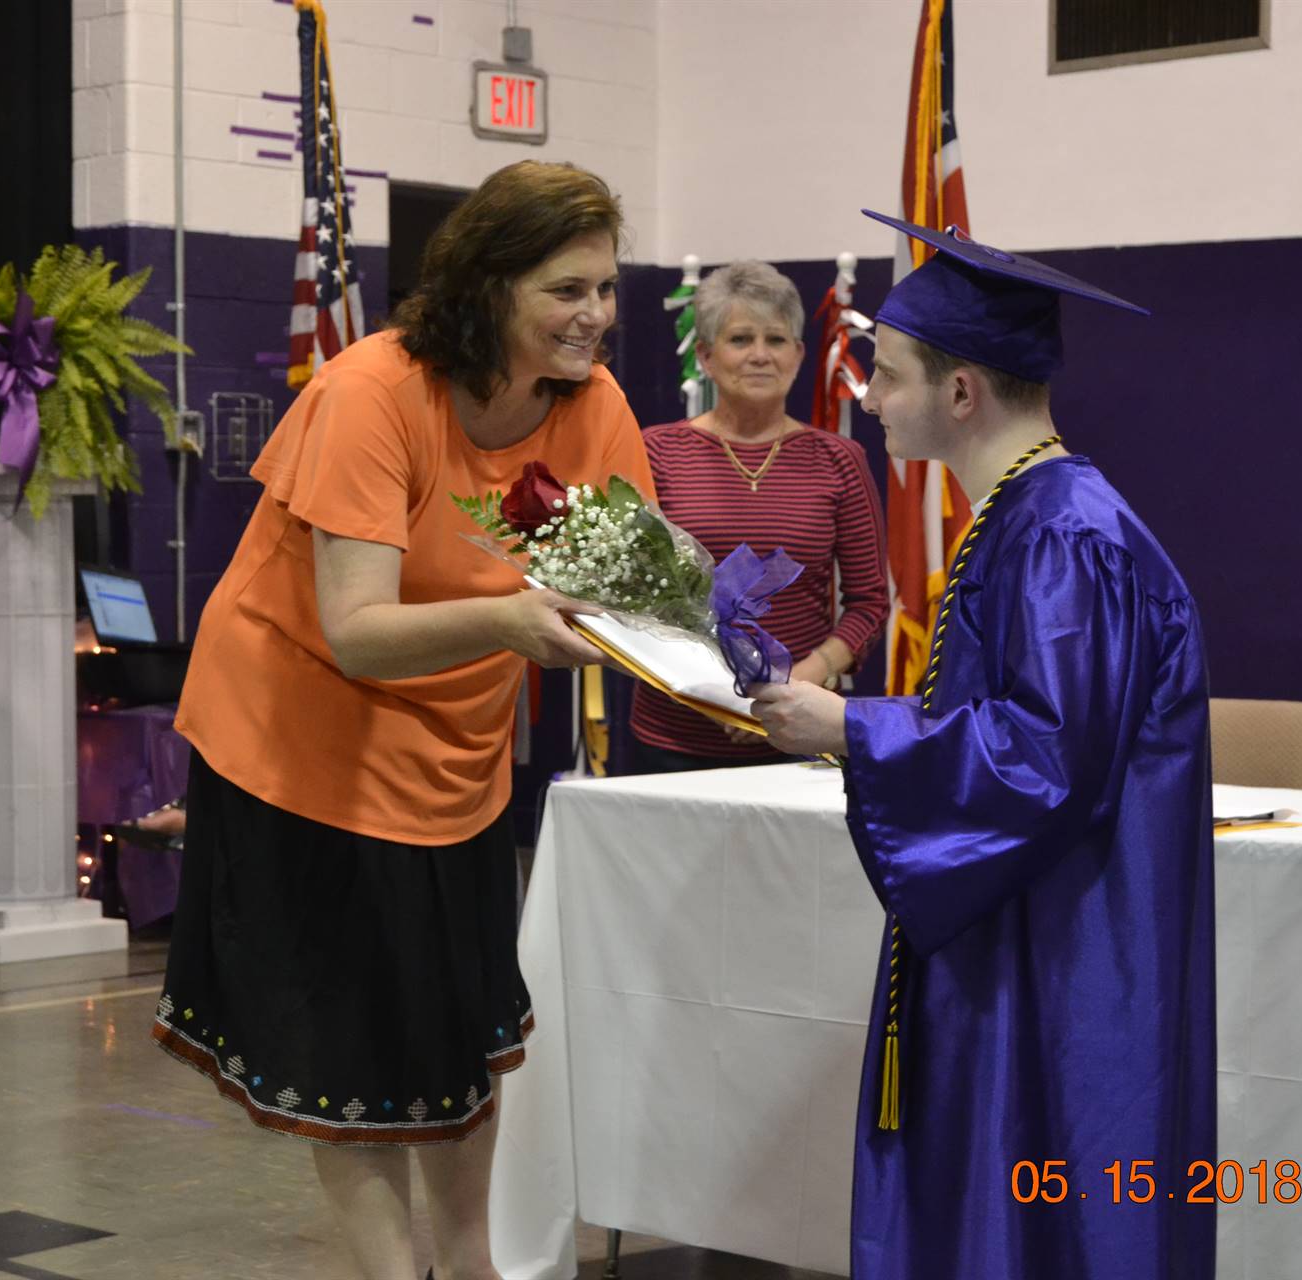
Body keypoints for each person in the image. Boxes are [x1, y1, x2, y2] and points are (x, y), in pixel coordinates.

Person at [154, 161, 650, 1280]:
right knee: (351, 1048)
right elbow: (357, 629)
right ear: (488, 287)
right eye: (567, 290)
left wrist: (710, 639)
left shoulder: (597, 403)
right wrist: (514, 617)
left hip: (457, 754)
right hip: (301, 743)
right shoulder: (371, 391)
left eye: (607, 288)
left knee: (457, 1034)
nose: (597, 315)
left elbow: (623, 584)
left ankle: (473, 1264)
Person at [750, 213, 1215, 1279]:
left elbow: (1045, 757)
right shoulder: (1020, 514)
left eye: (890, 374)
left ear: (963, 392)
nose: (867, 398)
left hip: (1068, 949)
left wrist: (851, 725)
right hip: (1023, 930)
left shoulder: (1064, 533)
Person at [627, 261, 887, 773]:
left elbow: (869, 603)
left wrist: (799, 681)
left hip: (799, 733)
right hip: (673, 733)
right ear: (705, 355)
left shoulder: (840, 459)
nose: (761, 355)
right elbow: (634, 600)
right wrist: (717, 691)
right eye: (741, 338)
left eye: (777, 338)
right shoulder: (654, 452)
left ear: (799, 354)